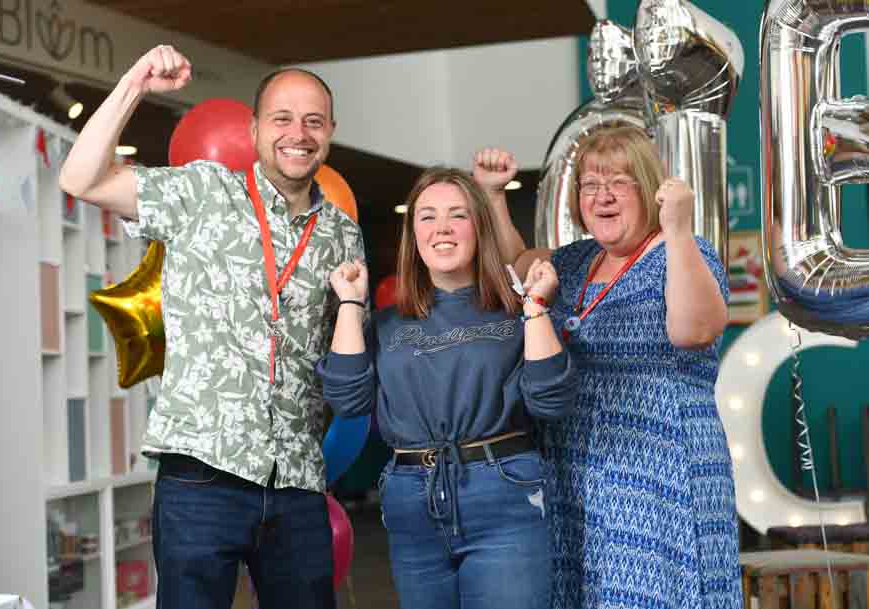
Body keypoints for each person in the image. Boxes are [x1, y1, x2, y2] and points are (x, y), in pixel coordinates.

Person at [59, 45, 364, 609]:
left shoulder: (342, 234)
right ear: (253, 128)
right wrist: (134, 83)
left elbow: (342, 362)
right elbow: (80, 178)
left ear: (330, 132)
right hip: (202, 475)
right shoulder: (202, 192)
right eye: (282, 118)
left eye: (313, 121)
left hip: (296, 478)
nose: (298, 133)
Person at [317, 158, 578, 609]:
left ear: (479, 228)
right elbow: (346, 397)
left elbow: (552, 401)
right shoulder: (387, 323)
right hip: (409, 500)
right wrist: (348, 306)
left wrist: (536, 309)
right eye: (428, 216)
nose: (443, 228)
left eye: (458, 215)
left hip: (504, 494)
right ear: (413, 235)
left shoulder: (516, 313)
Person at [510, 125, 741, 609]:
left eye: (619, 182)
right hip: (577, 470)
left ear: (649, 188)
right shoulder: (576, 260)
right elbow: (514, 264)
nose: (603, 196)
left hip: (659, 468)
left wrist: (677, 229)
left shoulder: (686, 252)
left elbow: (694, 331)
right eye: (590, 185)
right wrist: (493, 198)